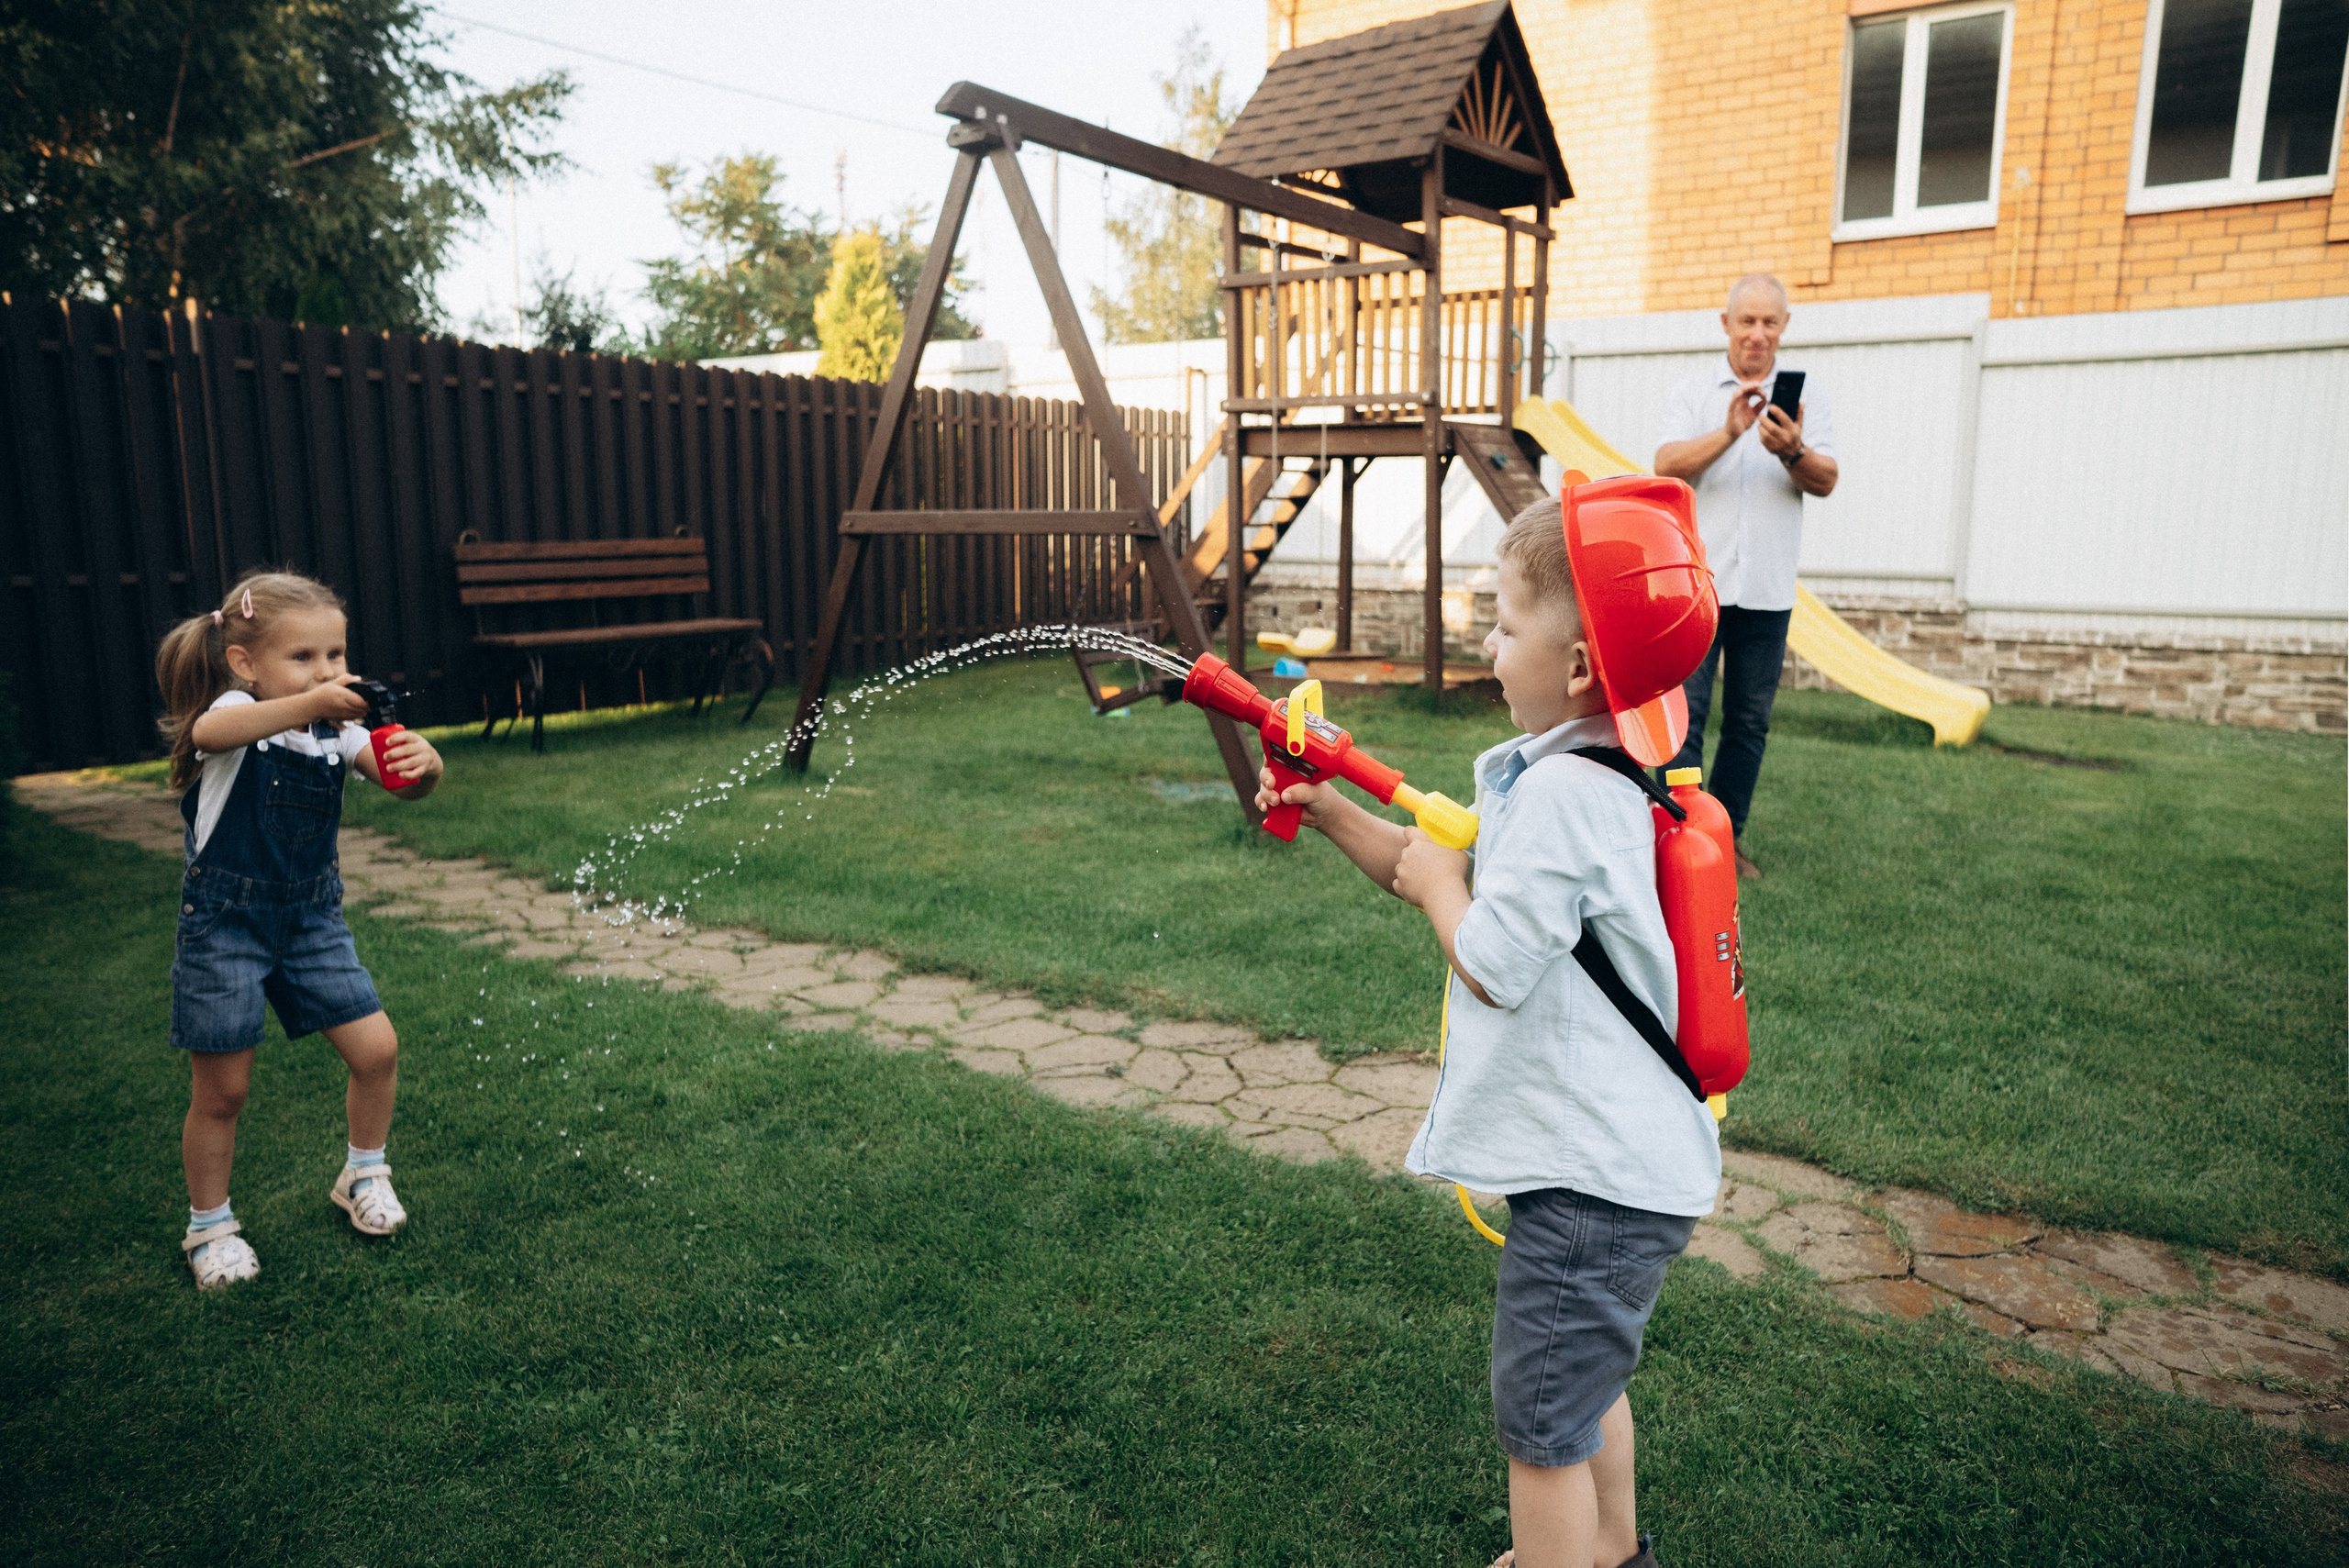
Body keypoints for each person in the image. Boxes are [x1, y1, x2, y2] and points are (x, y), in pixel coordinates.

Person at [1258, 488, 1721, 1568]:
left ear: (1577, 666)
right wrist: (1331, 809)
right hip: (1617, 1166)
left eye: (1506, 626)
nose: (1488, 645)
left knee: (1541, 1421)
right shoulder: (1593, 770)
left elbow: (1491, 957)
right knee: (1585, 1386)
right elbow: (1436, 869)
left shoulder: (1562, 795)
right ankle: (1610, 1551)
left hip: (1593, 1181)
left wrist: (1439, 890)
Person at [152, 570, 445, 1289]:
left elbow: (397, 778)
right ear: (246, 663)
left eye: (335, 654)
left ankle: (363, 1173)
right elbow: (209, 732)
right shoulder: (236, 711)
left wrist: (426, 766)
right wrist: (311, 703)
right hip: (225, 926)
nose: (326, 671)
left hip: (312, 920)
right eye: (304, 656)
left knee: (377, 1049)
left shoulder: (337, 734)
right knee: (223, 1091)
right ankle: (210, 1225)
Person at [1653, 272, 1838, 879]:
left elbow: (1826, 479)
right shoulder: (1693, 392)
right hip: (1696, 588)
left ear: (1784, 327)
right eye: (1747, 321)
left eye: (1769, 322)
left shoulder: (1809, 397)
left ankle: (1725, 843)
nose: (1757, 334)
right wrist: (1730, 432)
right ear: (1726, 325)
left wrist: (1791, 450)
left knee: (1749, 723)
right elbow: (1665, 465)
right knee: (1684, 719)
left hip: (1767, 590)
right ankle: (1674, 836)